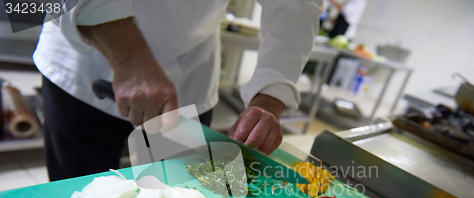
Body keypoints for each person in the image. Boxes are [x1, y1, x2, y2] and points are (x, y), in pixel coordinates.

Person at [33, 0, 323, 181]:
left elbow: (297, 6)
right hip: (86, 61)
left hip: (189, 72)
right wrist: (128, 57)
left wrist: (271, 93)